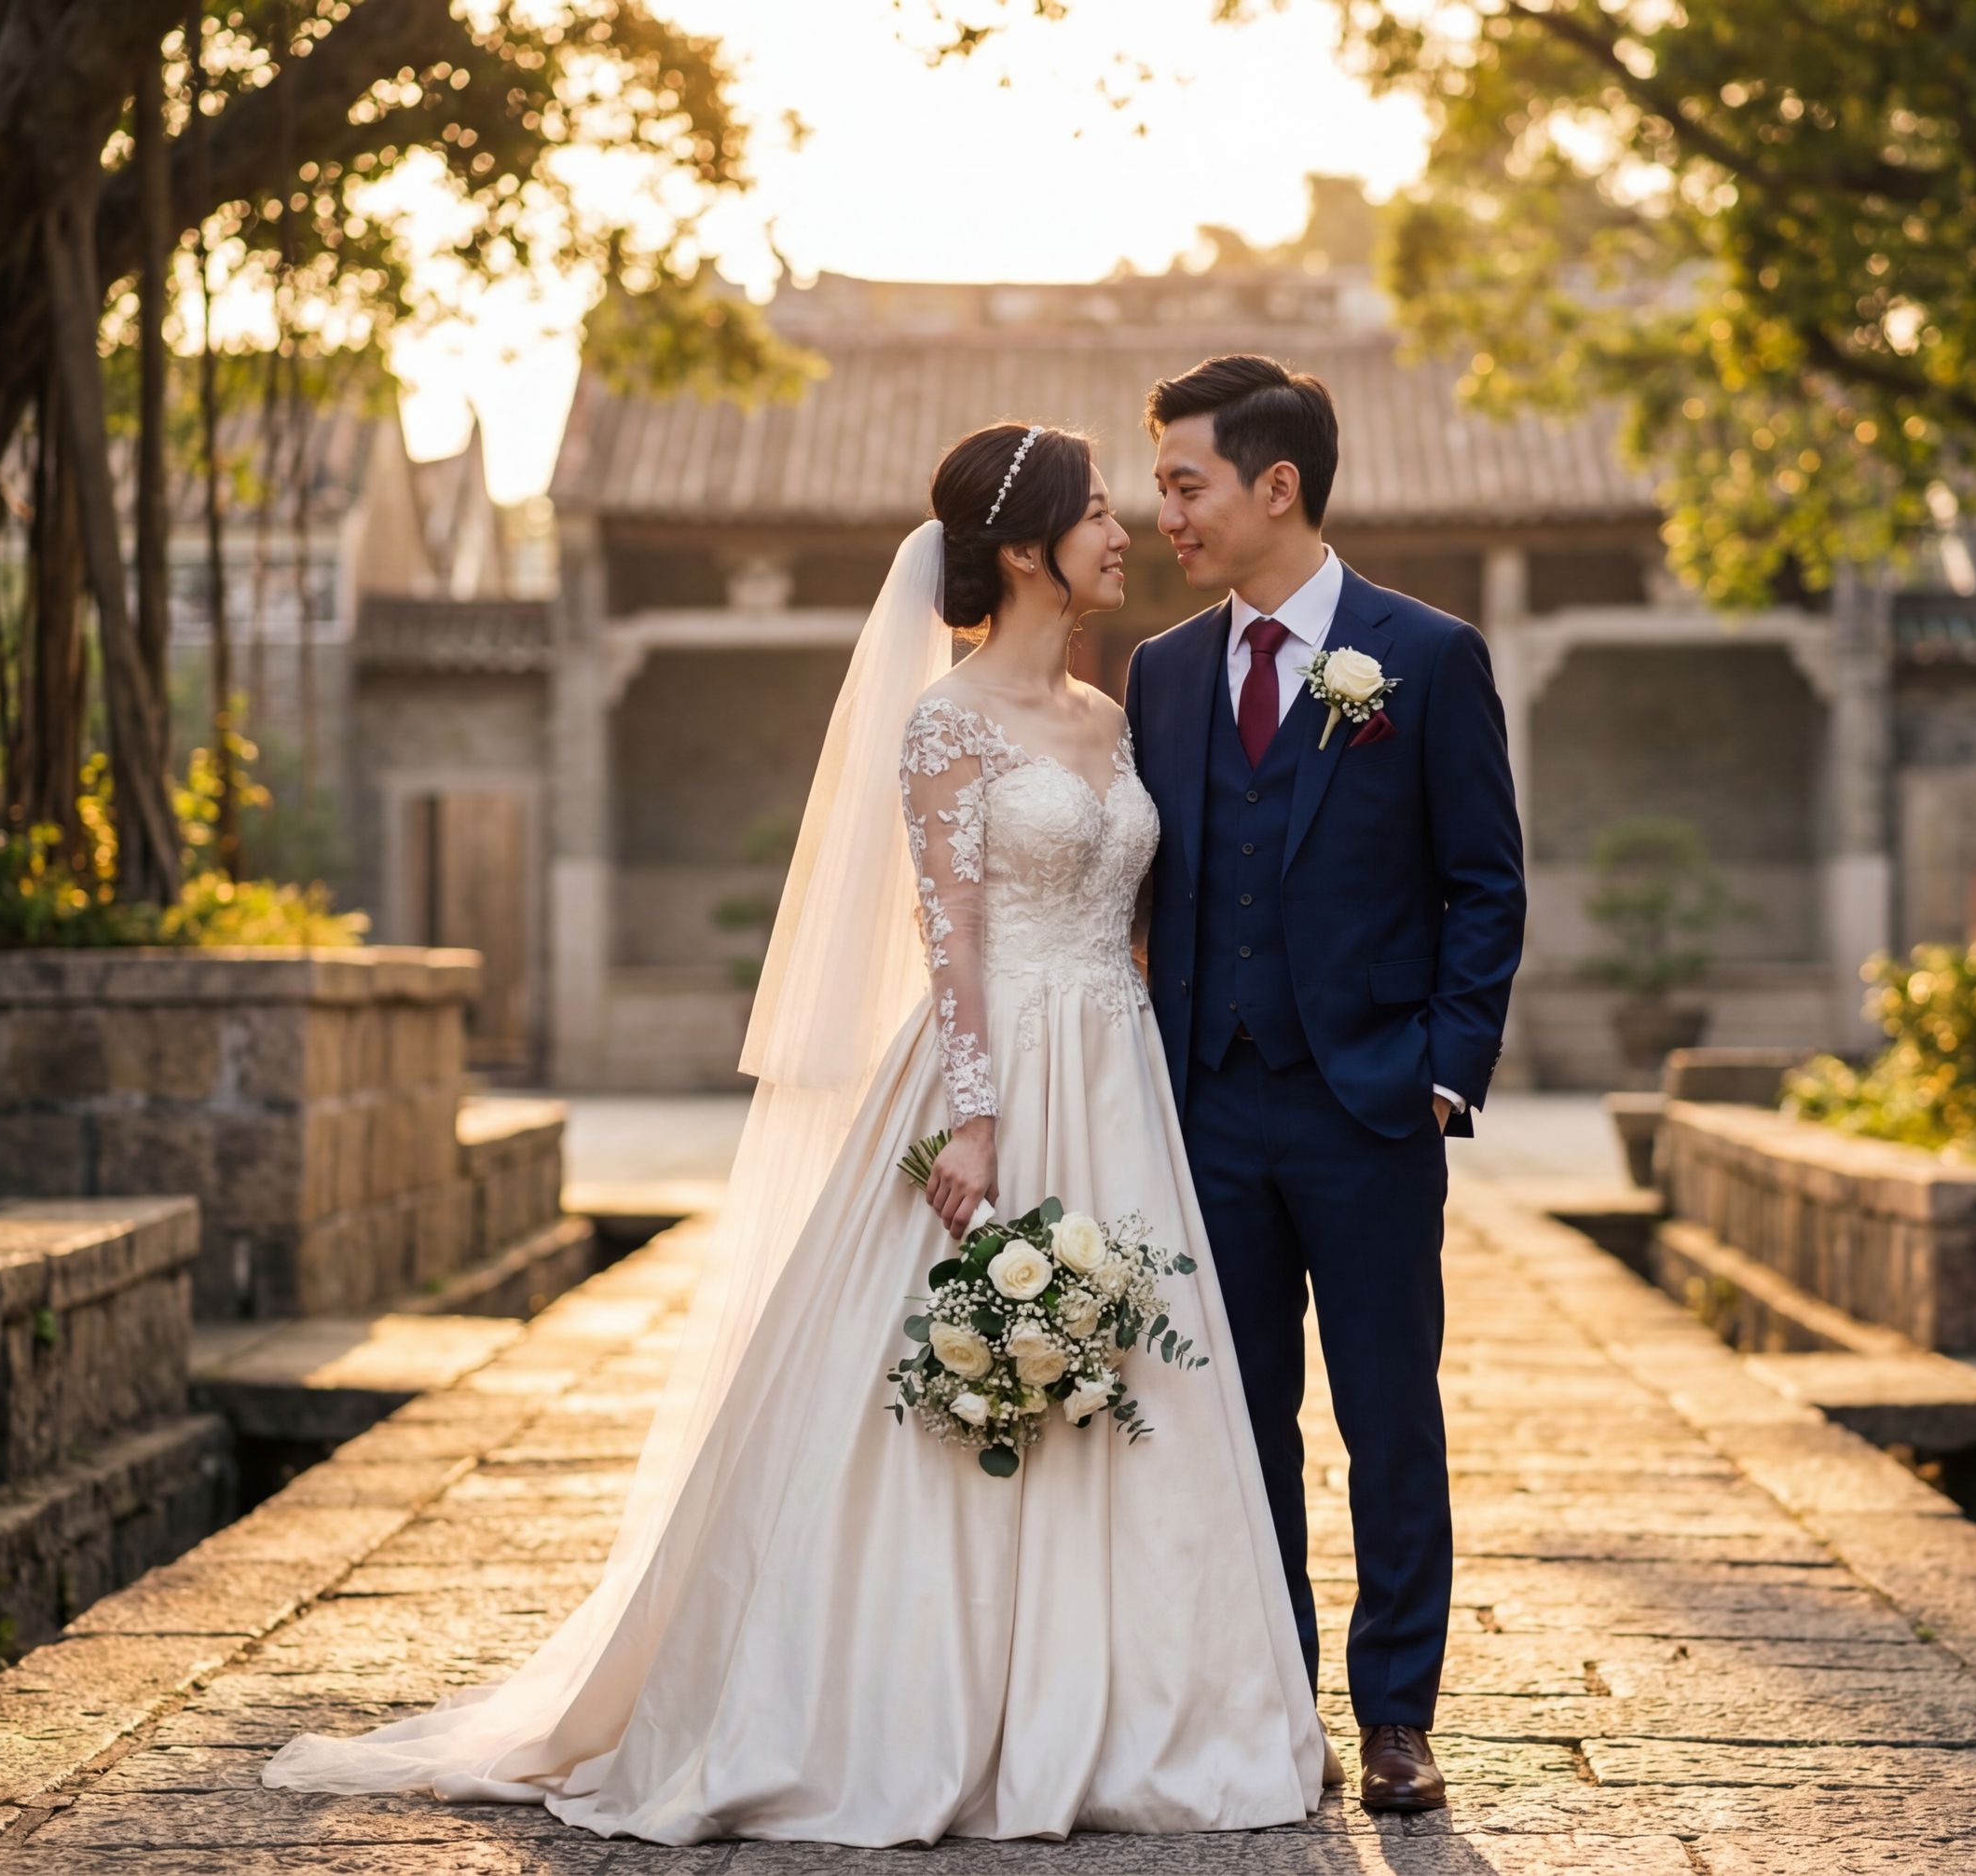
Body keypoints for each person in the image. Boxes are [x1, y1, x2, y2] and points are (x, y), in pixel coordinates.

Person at [260, 422, 1327, 1843]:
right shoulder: (943, 723)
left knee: (1134, 1368)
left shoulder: (1113, 714)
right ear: (1024, 552)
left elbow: (1136, 922)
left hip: (1116, 1078)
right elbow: (949, 940)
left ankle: (1137, 1707)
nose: (1125, 534)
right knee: (947, 1381)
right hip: (992, 1068)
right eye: (1096, 518)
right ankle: (912, 1704)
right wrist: (976, 1116)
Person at [1125, 354, 1527, 1814]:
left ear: (1274, 485)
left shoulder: (1424, 655)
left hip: (1370, 1109)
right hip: (1207, 1109)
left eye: (1186, 483)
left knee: (1388, 1415)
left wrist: (1443, 1074)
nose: (1163, 510)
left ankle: (1399, 1717)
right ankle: (1275, 1702)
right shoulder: (1163, 673)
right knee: (1239, 1423)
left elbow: (1486, 884)